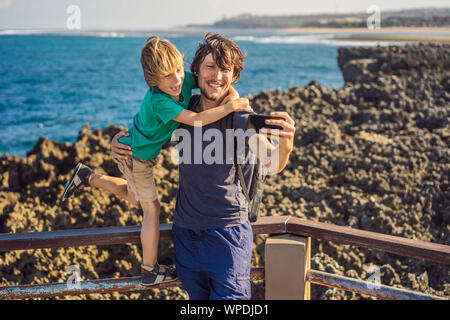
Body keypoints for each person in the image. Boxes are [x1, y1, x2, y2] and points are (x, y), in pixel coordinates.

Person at [111, 33, 295, 299]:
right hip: (185, 235)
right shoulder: (185, 108)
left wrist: (286, 144)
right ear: (195, 72)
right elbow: (148, 128)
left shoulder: (241, 117)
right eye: (211, 67)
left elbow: (273, 164)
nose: (217, 76)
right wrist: (119, 141)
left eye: (225, 70)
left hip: (228, 235)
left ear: (233, 76)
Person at [59, 36, 252, 287]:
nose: (176, 81)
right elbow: (195, 120)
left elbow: (217, 83)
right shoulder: (160, 100)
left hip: (142, 152)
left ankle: (88, 176)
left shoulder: (182, 79)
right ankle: (149, 270)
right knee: (151, 209)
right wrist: (231, 107)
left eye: (177, 72)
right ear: (153, 81)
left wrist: (234, 97)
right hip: (137, 156)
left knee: (134, 196)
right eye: (166, 77)